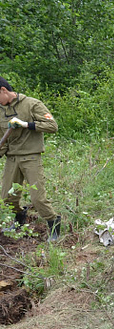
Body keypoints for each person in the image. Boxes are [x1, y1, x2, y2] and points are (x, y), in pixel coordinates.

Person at [0, 76, 61, 241]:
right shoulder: (1, 110)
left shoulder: (32, 104)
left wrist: (26, 124)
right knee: (7, 197)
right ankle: (19, 219)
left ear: (3, 90)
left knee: (37, 197)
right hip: (12, 158)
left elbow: (52, 126)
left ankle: (54, 224)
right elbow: (2, 141)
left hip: (31, 157)